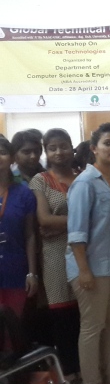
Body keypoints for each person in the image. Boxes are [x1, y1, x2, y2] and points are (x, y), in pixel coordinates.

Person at [66, 122, 110, 384]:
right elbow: (76, 232)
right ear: (94, 148)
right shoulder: (85, 182)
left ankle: (109, 380)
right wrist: (83, 270)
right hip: (91, 267)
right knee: (92, 326)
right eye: (108, 143)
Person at [29, 129, 81, 384]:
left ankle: (87, 367)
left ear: (72, 147)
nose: (59, 152)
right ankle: (69, 371)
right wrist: (80, 223)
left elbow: (97, 216)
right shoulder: (40, 181)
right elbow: (44, 219)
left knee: (84, 314)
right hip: (54, 255)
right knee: (62, 314)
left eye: (63, 146)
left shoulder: (83, 177)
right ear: (46, 152)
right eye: (52, 148)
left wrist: (60, 224)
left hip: (84, 252)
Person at [0, 136, 38, 317]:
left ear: (12, 158)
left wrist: (31, 273)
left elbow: (30, 235)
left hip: (15, 270)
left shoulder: (24, 193)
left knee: (12, 325)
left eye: (2, 153)